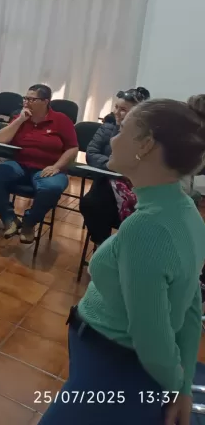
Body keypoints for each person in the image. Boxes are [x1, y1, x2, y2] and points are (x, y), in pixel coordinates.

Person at [40, 95, 205, 425]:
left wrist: (175, 387)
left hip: (112, 368)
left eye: (123, 129)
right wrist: (182, 387)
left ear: (144, 144)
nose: (112, 137)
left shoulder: (146, 227)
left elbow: (152, 337)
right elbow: (190, 308)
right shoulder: (186, 211)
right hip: (112, 365)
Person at [0, 84, 78, 243]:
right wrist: (20, 120)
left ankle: (29, 222)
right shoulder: (21, 117)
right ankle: (9, 218)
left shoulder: (61, 120)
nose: (26, 102)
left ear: (45, 101)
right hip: (20, 165)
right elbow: (1, 139)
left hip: (48, 169)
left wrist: (57, 166)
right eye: (25, 98)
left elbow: (73, 148)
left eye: (31, 99)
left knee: (51, 188)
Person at [79, 87, 150, 245]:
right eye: (116, 107)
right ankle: (103, 246)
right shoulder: (107, 127)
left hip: (135, 187)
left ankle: (125, 249)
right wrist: (114, 166)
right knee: (89, 204)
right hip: (106, 181)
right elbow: (92, 153)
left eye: (123, 109)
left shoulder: (148, 136)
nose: (116, 112)